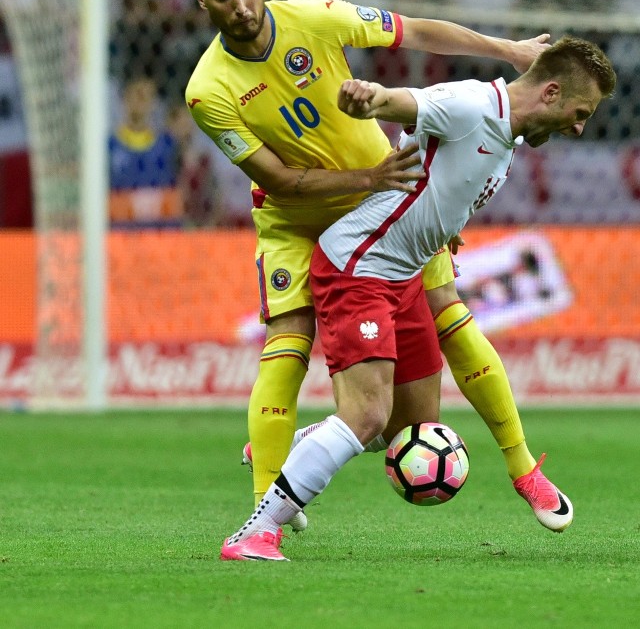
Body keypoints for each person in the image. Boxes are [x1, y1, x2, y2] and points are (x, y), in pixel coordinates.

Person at [184, 0, 552, 532]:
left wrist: (509, 51)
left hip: (388, 202)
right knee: (289, 340)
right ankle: (267, 503)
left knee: (427, 363)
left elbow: (419, 30)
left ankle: (525, 472)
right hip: (303, 218)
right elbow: (280, 181)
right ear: (203, 1)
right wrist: (373, 177)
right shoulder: (207, 91)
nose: (241, 6)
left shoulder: (320, 18)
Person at [220, 35, 616, 561]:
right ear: (549, 93)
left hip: (402, 276)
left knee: (406, 429)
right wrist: (369, 96)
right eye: (579, 112)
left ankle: (295, 450)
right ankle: (254, 532)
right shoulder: (471, 104)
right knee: (364, 416)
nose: (578, 127)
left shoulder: (509, 137)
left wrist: (442, 223)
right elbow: (403, 101)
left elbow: (443, 177)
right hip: (357, 268)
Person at [109, 75, 182, 228]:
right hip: (120, 237)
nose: (142, 102)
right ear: (125, 98)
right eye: (138, 94)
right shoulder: (109, 147)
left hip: (160, 238)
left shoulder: (168, 146)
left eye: (148, 96)